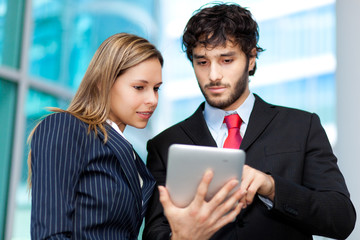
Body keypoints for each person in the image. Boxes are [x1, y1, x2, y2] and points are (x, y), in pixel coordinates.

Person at [143, 3, 356, 240]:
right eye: (202, 62)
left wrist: (272, 187)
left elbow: (341, 218)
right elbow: (154, 233)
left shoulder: (302, 127)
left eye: (226, 60)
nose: (213, 75)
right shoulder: (165, 145)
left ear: (251, 59)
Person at [28, 33, 164, 239]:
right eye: (139, 87)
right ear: (103, 82)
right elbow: (50, 234)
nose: (152, 99)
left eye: (156, 89)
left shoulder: (132, 157)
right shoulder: (65, 127)